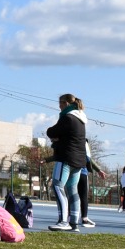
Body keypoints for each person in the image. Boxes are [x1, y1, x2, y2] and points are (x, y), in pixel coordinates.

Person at [46, 94, 87, 232]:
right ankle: (74, 223)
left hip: (66, 158)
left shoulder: (67, 117)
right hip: (79, 161)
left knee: (57, 186)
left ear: (68, 103)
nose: (59, 106)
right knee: (72, 190)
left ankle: (63, 221)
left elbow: (51, 131)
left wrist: (57, 138)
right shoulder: (81, 119)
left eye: (61, 103)